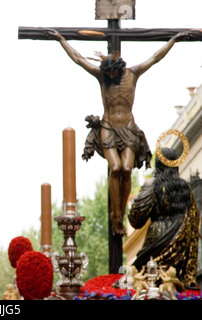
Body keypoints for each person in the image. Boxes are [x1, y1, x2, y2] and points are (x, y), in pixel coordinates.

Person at [48, 29, 192, 236]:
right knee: (115, 168)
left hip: (129, 128)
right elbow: (79, 59)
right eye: (107, 75)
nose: (110, 77)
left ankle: (121, 212)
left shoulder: (133, 73)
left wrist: (173, 40)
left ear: (118, 69)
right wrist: (62, 40)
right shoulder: (102, 77)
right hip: (108, 127)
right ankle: (115, 217)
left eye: (112, 74)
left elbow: (155, 58)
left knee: (126, 169)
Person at [128, 147, 200, 290]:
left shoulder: (152, 184)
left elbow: (136, 218)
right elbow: (194, 220)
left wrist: (136, 203)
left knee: (147, 279)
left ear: (158, 164)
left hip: (157, 237)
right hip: (181, 245)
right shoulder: (186, 188)